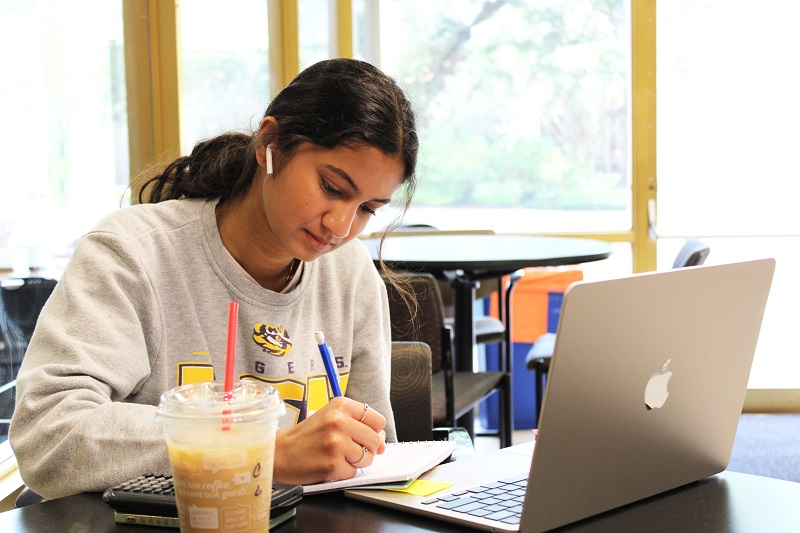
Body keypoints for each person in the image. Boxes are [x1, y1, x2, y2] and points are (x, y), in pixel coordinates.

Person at [9, 58, 418, 500]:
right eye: (332, 188)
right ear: (270, 144)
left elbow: (373, 461)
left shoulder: (350, 274)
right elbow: (48, 433)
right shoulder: (132, 253)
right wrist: (255, 450)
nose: (340, 225)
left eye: (367, 209)